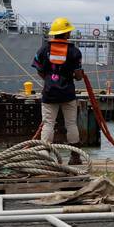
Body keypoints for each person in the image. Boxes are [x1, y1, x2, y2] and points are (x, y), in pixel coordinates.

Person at [31, 17, 84, 145]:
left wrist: (49, 80)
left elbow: (39, 69)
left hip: (49, 92)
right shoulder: (74, 52)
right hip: (68, 93)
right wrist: (77, 76)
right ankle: (75, 156)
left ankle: (45, 154)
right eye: (69, 31)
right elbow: (78, 75)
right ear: (66, 33)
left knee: (48, 123)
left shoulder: (44, 50)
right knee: (71, 123)